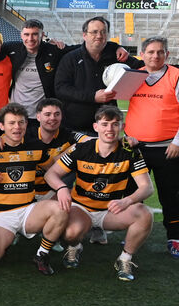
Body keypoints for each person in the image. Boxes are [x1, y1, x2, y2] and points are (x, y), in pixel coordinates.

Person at [45, 106, 153, 281]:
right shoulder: (81, 148)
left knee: (144, 214)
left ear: (122, 127)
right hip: (82, 208)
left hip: (111, 211)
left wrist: (127, 201)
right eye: (104, 124)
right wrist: (62, 188)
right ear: (96, 127)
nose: (110, 129)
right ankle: (75, 246)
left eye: (115, 124)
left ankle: (125, 259)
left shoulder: (129, 150)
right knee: (71, 233)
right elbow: (51, 174)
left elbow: (147, 187)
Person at [0, 103, 69, 275]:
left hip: (28, 211)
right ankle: (6, 239)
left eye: (21, 122)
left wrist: (62, 187)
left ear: (26, 124)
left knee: (61, 207)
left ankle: (42, 254)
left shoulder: (35, 146)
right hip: (1, 215)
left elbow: (51, 169)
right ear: (2, 126)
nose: (17, 127)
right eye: (12, 123)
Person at [126, 36, 179, 258]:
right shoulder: (132, 76)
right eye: (150, 52)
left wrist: (178, 142)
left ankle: (174, 238)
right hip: (136, 149)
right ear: (142, 55)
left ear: (167, 54)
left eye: (160, 52)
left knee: (170, 195)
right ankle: (131, 233)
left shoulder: (178, 76)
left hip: (168, 148)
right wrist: (125, 134)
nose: (155, 56)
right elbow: (112, 102)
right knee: (132, 193)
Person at [53, 16, 134, 133]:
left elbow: (143, 67)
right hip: (76, 127)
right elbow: (61, 88)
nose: (99, 36)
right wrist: (93, 97)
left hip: (107, 127)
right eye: (94, 32)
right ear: (84, 35)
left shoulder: (117, 56)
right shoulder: (70, 58)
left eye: (103, 32)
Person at [3, 19, 66, 117]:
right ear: (21, 35)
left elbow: (79, 50)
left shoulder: (54, 51)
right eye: (26, 34)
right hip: (17, 114)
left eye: (35, 34)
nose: (30, 38)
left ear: (42, 35)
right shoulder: (12, 48)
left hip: (43, 116)